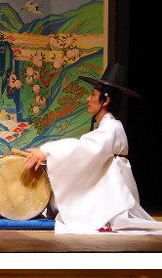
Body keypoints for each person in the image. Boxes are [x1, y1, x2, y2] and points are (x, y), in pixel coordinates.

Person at [23, 63, 162, 234]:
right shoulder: (108, 127)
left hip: (115, 194)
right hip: (109, 189)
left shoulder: (111, 127)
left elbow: (82, 149)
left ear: (105, 100)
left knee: (78, 216)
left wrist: (47, 151)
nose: (88, 99)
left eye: (93, 95)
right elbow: (86, 150)